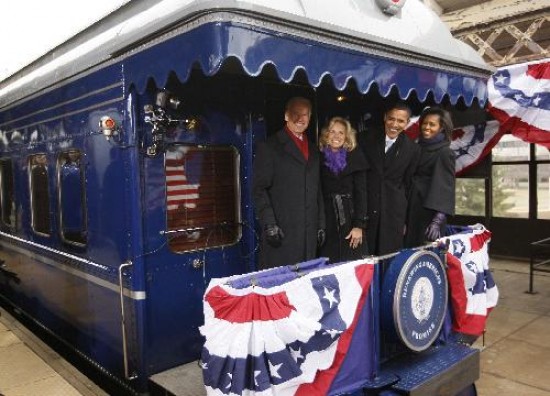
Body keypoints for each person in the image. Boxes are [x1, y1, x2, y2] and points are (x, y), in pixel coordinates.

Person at [253, 97, 325, 269]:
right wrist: (269, 223)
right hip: (282, 234)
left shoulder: (315, 150)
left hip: (309, 236)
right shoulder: (269, 146)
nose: (300, 119)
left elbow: (318, 190)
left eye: (305, 115)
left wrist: (321, 224)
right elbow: (259, 189)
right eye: (295, 114)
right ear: (286, 116)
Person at [358, 102, 420, 255]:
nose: (394, 124)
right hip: (366, 209)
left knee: (389, 258)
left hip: (394, 214)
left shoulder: (413, 149)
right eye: (391, 119)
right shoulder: (364, 138)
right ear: (385, 118)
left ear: (407, 123)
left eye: (400, 121)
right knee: (364, 259)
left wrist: (406, 221)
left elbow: (409, 185)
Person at [318, 117, 368, 263]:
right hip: (327, 221)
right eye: (332, 132)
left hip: (350, 219)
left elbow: (362, 193)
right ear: (326, 135)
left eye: (341, 133)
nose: (336, 136)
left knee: (352, 265)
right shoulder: (318, 157)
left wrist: (359, 226)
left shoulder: (356, 156)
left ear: (347, 136)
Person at [405, 106, 456, 247]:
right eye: (424, 123)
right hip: (410, 208)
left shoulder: (445, 152)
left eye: (432, 124)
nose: (426, 127)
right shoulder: (417, 148)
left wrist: (438, 220)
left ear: (441, 128)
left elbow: (446, 188)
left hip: (429, 214)